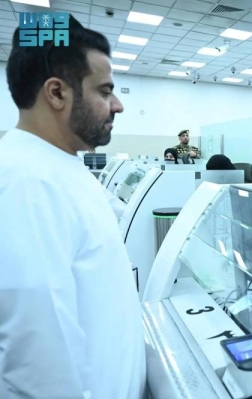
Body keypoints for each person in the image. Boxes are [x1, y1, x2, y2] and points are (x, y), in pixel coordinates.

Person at [0, 14, 145, 399]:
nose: (117, 106)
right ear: (57, 93)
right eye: (105, 91)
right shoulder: (28, 183)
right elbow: (38, 360)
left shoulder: (58, 165)